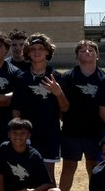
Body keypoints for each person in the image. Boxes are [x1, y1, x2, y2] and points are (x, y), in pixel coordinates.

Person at [9, 34, 67, 181]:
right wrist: (18, 130)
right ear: (28, 53)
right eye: (33, 49)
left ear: (47, 51)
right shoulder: (22, 78)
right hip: (28, 133)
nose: (37, 52)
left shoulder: (56, 77)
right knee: (27, 171)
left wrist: (58, 93)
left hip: (50, 132)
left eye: (41, 48)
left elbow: (65, 108)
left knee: (48, 173)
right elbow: (16, 108)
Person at [58, 39, 105, 191]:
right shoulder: (67, 77)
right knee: (69, 166)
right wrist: (68, 121)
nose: (87, 52)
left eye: (91, 50)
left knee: (94, 167)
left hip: (96, 132)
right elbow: (61, 106)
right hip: (72, 131)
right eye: (82, 50)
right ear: (76, 55)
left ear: (97, 55)